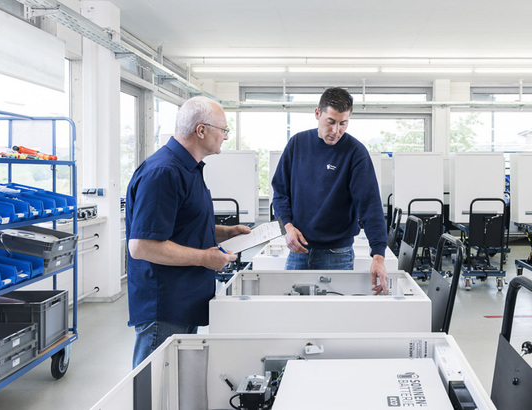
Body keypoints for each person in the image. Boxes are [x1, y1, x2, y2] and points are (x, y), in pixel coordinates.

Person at [125, 96, 250, 367]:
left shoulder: (188, 169)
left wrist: (225, 232)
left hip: (184, 300)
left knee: (172, 388)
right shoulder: (164, 172)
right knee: (154, 391)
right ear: (202, 130)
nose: (226, 137)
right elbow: (142, 245)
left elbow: (182, 226)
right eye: (224, 129)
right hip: (165, 306)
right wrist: (207, 258)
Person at [271, 87, 389, 295]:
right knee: (291, 314)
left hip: (338, 253)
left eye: (343, 123)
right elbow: (280, 193)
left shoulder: (355, 153)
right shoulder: (297, 144)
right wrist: (287, 227)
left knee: (334, 320)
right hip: (298, 249)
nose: (336, 131)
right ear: (318, 114)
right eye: (331, 122)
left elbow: (370, 206)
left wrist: (378, 255)